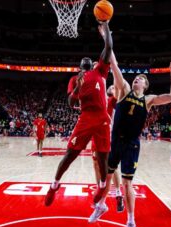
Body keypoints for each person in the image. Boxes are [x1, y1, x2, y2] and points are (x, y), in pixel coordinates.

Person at [88, 47, 171, 227]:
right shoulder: (123, 91)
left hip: (132, 144)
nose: (137, 79)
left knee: (128, 183)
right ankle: (102, 204)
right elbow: (114, 65)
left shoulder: (149, 100)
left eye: (141, 78)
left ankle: (131, 223)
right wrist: (107, 39)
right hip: (116, 141)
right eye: (136, 78)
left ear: (145, 85)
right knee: (107, 176)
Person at [44, 21, 113, 207]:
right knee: (70, 155)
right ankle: (54, 186)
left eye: (88, 64)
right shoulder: (75, 79)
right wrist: (77, 88)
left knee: (103, 157)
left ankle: (101, 186)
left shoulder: (100, 71)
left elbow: (109, 47)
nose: (86, 65)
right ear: (80, 67)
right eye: (84, 65)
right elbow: (70, 103)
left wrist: (105, 27)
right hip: (86, 117)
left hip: (102, 117)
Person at [91, 85, 124, 212]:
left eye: (114, 87)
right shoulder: (99, 100)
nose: (113, 87)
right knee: (95, 164)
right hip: (96, 134)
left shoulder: (112, 100)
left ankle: (118, 193)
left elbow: (119, 90)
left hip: (109, 135)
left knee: (111, 166)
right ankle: (99, 192)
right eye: (111, 87)